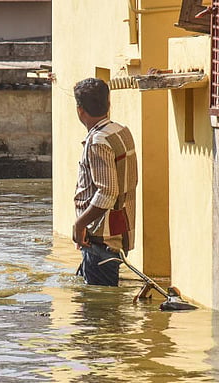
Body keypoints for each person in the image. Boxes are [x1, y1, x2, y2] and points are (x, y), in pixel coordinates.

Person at [72, 77, 138, 286]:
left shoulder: (98, 141)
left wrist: (79, 224)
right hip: (117, 229)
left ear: (80, 110)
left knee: (97, 313)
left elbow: (107, 192)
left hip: (101, 238)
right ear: (108, 104)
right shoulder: (120, 131)